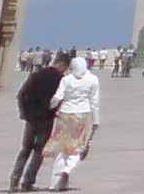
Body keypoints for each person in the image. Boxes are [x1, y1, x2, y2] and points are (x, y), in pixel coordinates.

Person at [44, 55, 101, 190]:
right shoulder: (93, 79)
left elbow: (58, 97)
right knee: (76, 147)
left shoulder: (66, 79)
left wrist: (50, 107)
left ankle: (55, 183)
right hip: (82, 115)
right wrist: (96, 120)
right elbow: (94, 102)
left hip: (65, 115)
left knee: (61, 148)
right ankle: (67, 170)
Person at [11, 51, 65, 191]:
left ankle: (14, 181)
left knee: (25, 149)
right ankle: (27, 182)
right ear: (63, 65)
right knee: (39, 151)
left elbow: (21, 94)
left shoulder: (37, 74)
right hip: (46, 120)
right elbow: (58, 100)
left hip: (31, 118)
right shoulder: (61, 79)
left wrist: (23, 113)